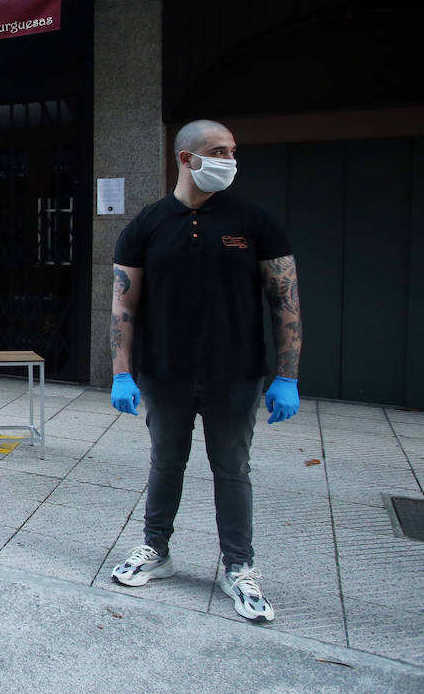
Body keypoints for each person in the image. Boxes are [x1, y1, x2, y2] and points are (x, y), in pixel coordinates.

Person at [109, 119, 303, 624]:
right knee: (165, 462)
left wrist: (288, 375)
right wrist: (121, 371)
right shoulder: (147, 225)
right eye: (218, 151)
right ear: (186, 158)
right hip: (164, 372)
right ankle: (157, 550)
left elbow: (285, 301)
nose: (230, 160)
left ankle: (238, 566)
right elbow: (123, 306)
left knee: (232, 470)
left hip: (235, 374)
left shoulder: (256, 222)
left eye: (233, 151)